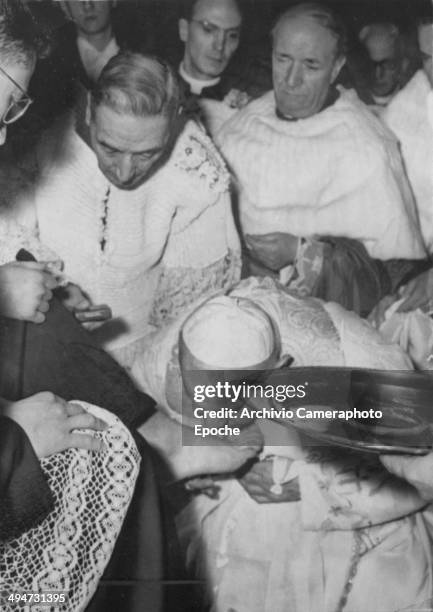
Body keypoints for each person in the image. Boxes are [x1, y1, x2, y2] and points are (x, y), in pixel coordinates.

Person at [132, 275, 433, 612]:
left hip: (345, 527)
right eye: (195, 394)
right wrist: (193, 458)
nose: (210, 416)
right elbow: (133, 434)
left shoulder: (356, 369)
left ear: (281, 370)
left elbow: (420, 472)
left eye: (227, 402)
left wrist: (315, 486)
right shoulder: (160, 359)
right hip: (224, 514)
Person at [12, 51, 240, 372]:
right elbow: (8, 235)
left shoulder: (197, 171)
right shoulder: (45, 134)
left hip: (148, 352)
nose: (124, 172)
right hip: (35, 337)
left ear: (175, 118)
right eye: (110, 148)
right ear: (90, 110)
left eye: (148, 153)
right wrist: (54, 297)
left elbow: (191, 309)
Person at [215, 2, 426, 317]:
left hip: (319, 323)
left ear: (337, 66)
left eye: (311, 65)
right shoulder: (243, 124)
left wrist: (302, 254)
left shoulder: (367, 149)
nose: (291, 80)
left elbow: (392, 278)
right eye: (282, 59)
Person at [176, 0, 249, 132]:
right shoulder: (155, 85)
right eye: (208, 30)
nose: (220, 46)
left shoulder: (245, 106)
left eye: (232, 35)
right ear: (184, 30)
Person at [355, 22, 414, 114]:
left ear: (403, 65)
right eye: (371, 64)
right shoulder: (351, 102)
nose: (378, 74)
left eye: (387, 64)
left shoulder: (415, 104)